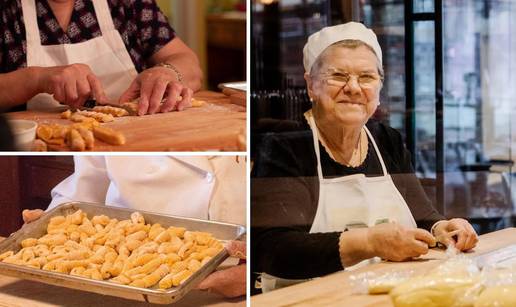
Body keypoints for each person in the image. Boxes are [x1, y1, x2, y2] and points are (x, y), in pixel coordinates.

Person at [251, 22, 478, 292]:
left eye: (367, 77)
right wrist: (369, 242)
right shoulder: (286, 146)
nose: (354, 88)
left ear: (379, 89)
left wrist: (443, 228)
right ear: (311, 85)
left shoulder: (386, 140)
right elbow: (273, 249)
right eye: (338, 75)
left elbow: (422, 215)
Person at [23, 155, 246, 298]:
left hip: (234, 283)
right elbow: (86, 185)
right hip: (116, 286)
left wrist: (254, 269)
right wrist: (49, 224)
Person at [0, 0, 202, 115]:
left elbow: (187, 62)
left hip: (139, 137)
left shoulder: (128, 4)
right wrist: (36, 79)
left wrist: (168, 71)